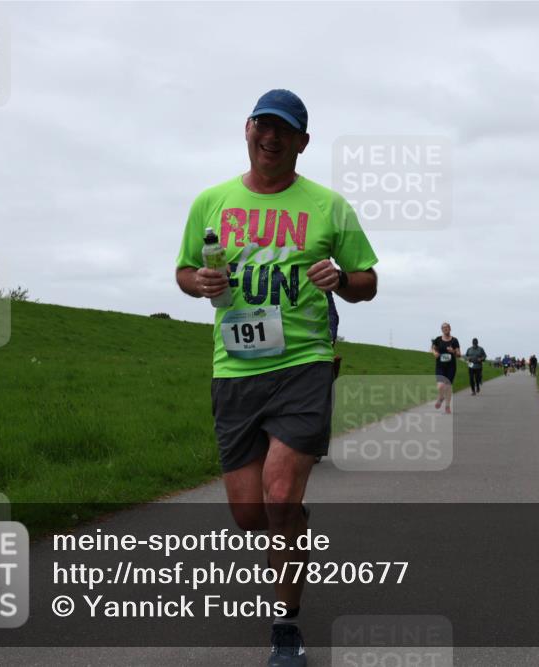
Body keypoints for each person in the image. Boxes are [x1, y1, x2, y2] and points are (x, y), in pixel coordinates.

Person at [175, 89, 378, 667]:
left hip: (303, 365)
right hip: (234, 369)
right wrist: (199, 285)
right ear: (247, 130)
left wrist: (339, 278)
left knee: (281, 494)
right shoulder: (210, 201)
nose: (272, 136)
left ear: (302, 142)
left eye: (285, 130)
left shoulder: (329, 207)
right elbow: (184, 270)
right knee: (250, 515)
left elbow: (367, 282)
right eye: (264, 125)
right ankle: (292, 522)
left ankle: (285, 628)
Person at [430, 322, 460, 414]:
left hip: (451, 367)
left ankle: (447, 406)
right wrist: (434, 353)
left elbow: (459, 354)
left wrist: (453, 351)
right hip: (440, 366)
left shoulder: (454, 340)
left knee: (448, 386)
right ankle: (441, 397)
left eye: (447, 327)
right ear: (441, 330)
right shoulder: (438, 339)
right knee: (440, 386)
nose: (445, 329)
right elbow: (432, 348)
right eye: (443, 328)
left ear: (450, 329)